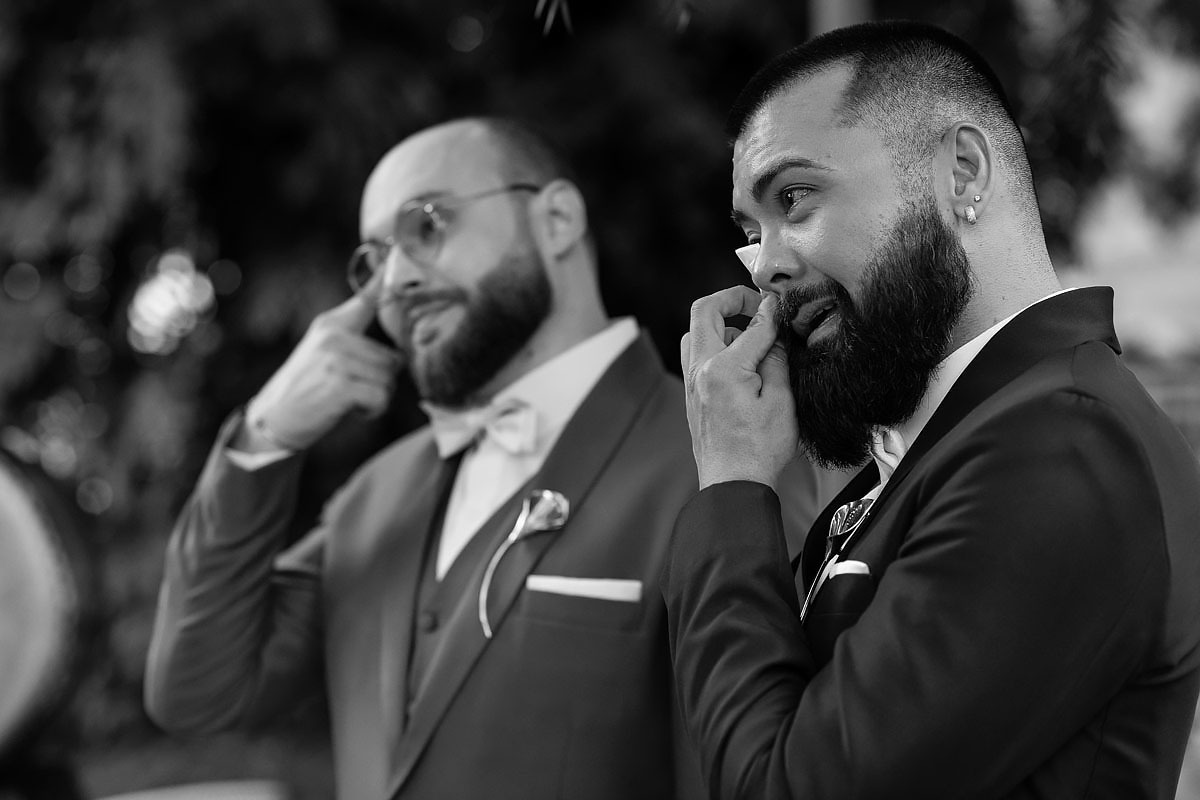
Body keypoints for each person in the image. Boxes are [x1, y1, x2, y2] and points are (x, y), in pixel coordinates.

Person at [144, 117, 823, 800]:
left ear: (556, 218)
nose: (394, 282)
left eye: (427, 225)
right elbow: (199, 694)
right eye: (374, 259)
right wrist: (262, 441)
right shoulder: (374, 496)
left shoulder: (732, 461)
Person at [664, 21, 1200, 800]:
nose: (768, 263)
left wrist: (732, 484)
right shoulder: (963, 440)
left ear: (963, 171)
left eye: (796, 197)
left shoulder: (1064, 447)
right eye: (752, 232)